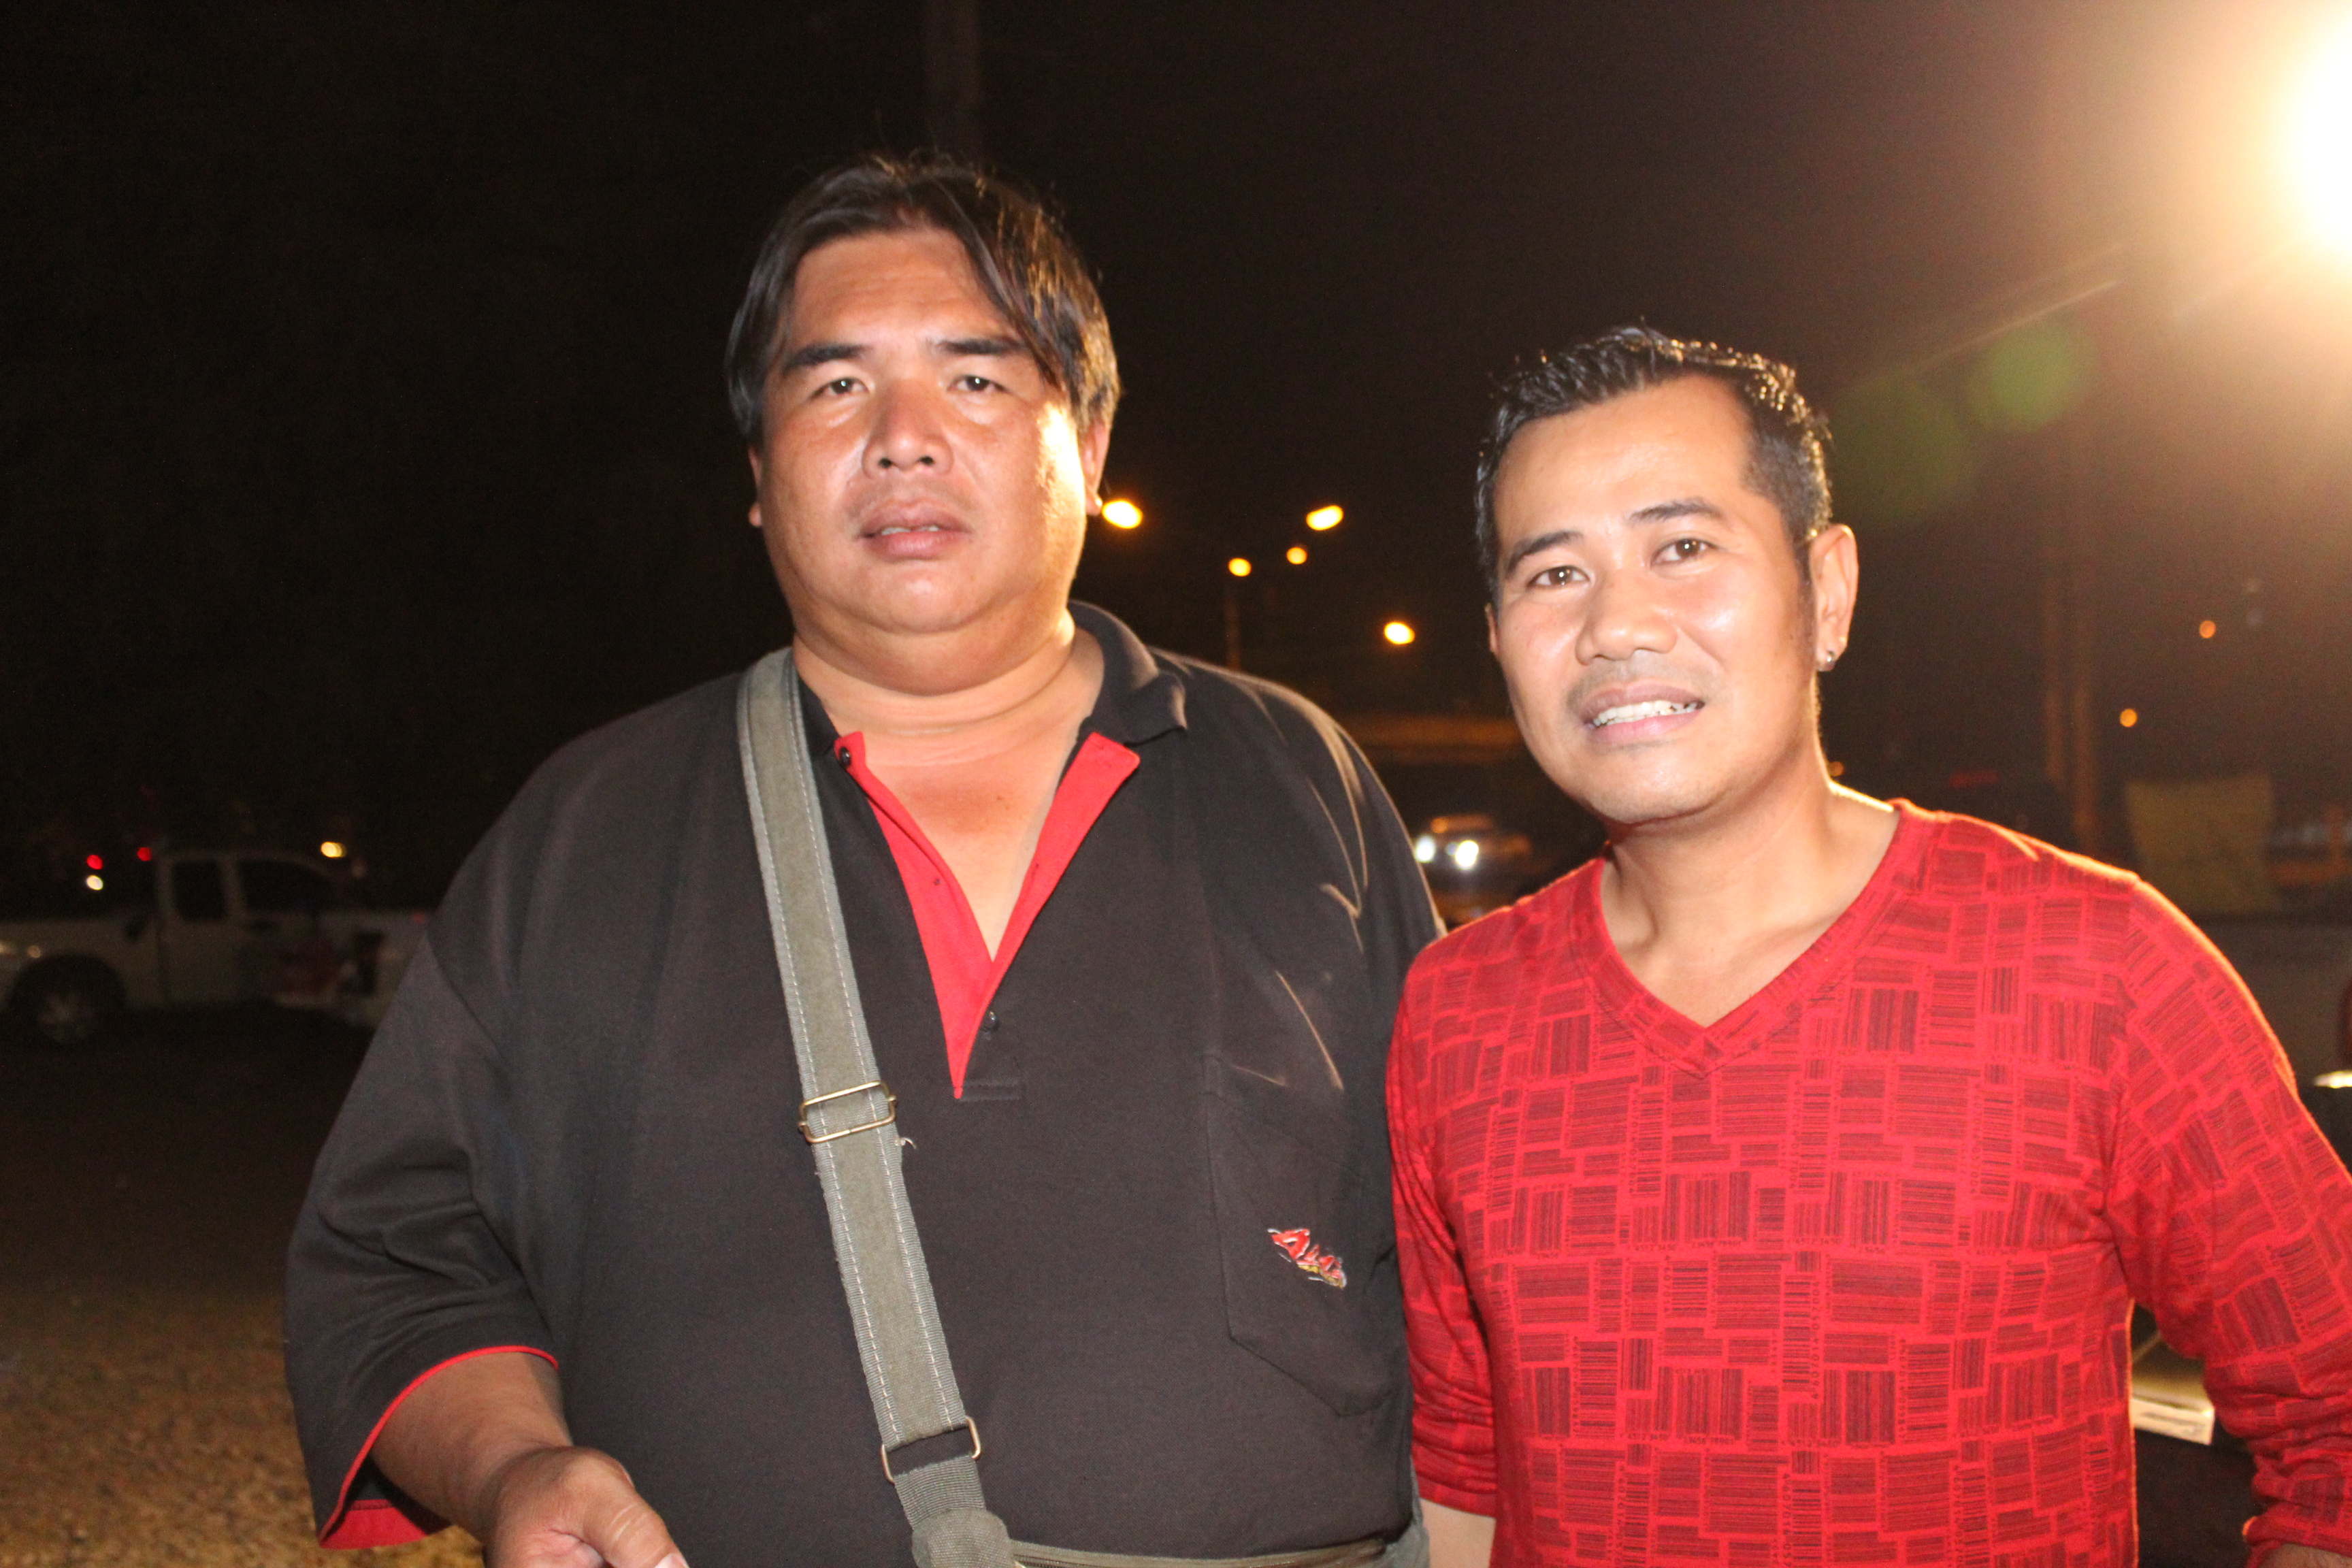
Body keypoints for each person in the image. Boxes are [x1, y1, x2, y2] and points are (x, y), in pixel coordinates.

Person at [285, 154, 1439, 1568]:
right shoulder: (588, 830)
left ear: (1088, 447)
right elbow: (398, 1256)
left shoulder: (1295, 780)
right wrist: (517, 1467)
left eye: (976, 377)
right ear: (758, 477)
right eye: (834, 385)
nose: (902, 438)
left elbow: (1460, 1235)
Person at [1388, 327, 2352, 1567]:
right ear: (1498, 637)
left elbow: (2335, 1419)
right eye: (1555, 573)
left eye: (1683, 548)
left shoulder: (2097, 966)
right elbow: (1463, 1458)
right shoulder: (1456, 1010)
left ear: (1827, 590)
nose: (1617, 625)